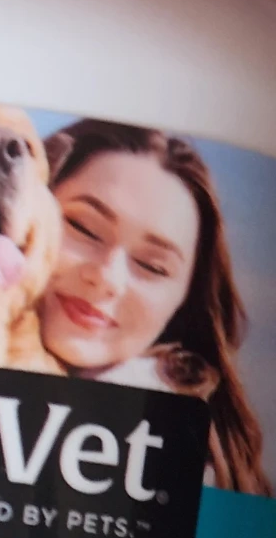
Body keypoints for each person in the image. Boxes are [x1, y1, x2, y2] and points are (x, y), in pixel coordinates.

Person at [39, 118, 271, 494]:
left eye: (152, 266)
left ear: (184, 304)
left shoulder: (188, 466)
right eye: (84, 228)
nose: (107, 277)